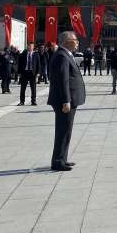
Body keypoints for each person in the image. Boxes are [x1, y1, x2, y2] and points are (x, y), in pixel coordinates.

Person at [48, 31, 85, 171]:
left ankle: (62, 158)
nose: (77, 42)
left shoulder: (66, 55)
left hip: (69, 99)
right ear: (66, 41)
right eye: (75, 40)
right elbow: (62, 81)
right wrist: (66, 101)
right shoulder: (62, 56)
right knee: (63, 131)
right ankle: (58, 161)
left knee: (66, 130)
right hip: (64, 101)